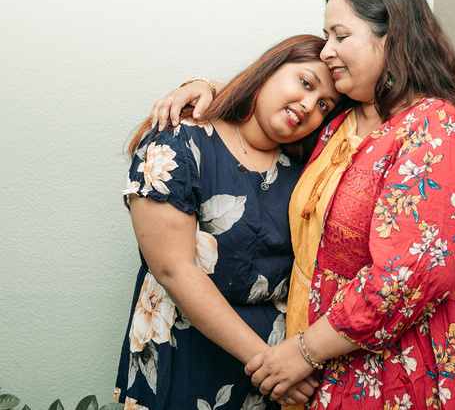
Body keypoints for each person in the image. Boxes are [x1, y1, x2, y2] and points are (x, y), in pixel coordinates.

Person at [152, 0, 455, 410]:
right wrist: (210, 87)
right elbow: (273, 114)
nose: (327, 50)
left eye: (340, 36)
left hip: (412, 376)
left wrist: (303, 351)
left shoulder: (440, 128)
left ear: (394, 34)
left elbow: (407, 278)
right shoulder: (339, 124)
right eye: (326, 37)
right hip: (331, 377)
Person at [116, 34, 343, 410]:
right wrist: (271, 366)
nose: (308, 105)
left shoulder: (306, 173)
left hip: (273, 385)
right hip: (188, 367)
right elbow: (174, 270)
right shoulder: (179, 143)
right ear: (270, 69)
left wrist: (287, 367)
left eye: (324, 104)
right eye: (305, 83)